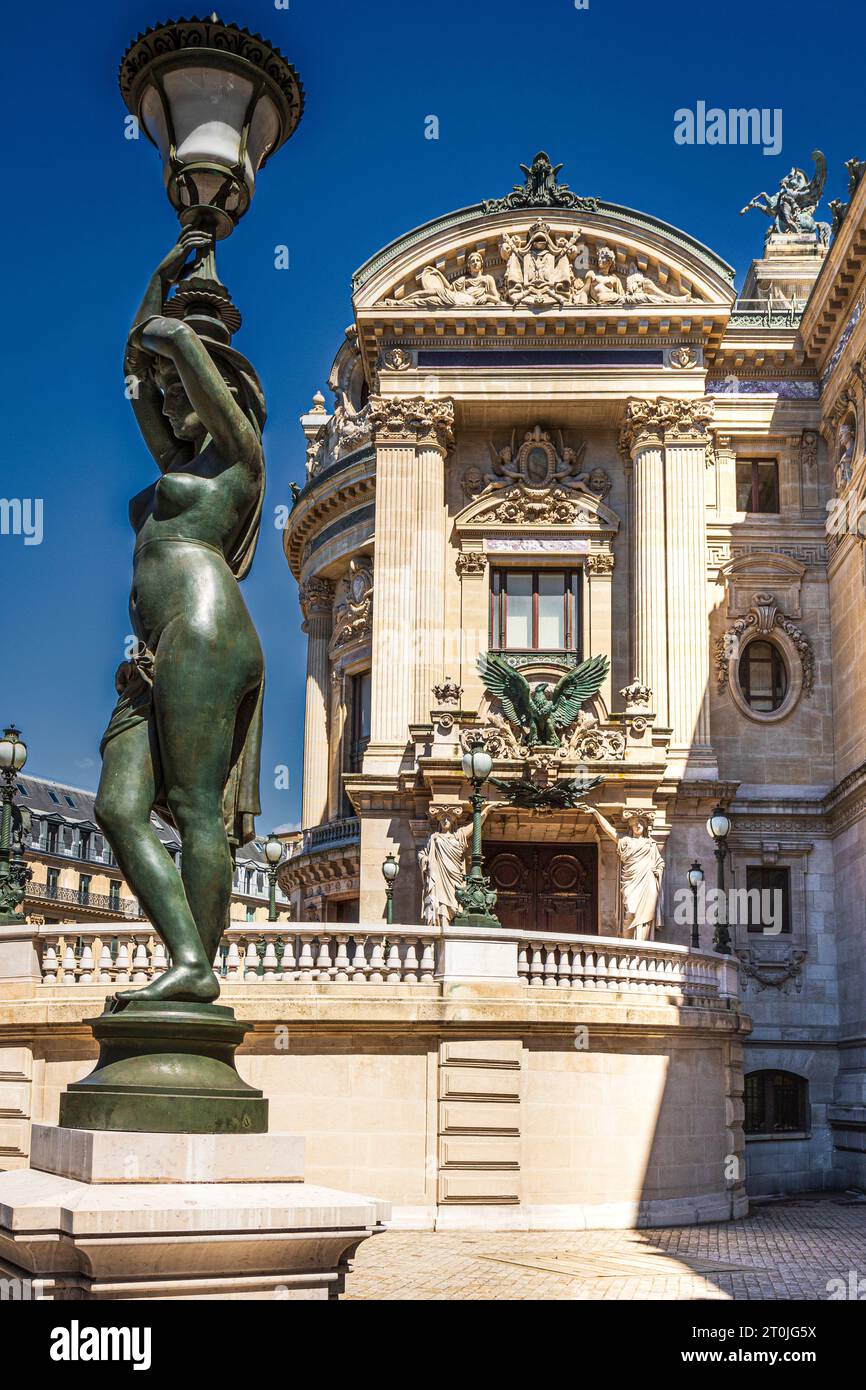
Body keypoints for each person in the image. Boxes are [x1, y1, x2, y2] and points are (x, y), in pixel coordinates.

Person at [94, 226, 267, 1005]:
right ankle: (188, 957)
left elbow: (174, 351)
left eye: (179, 389)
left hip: (205, 627)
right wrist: (161, 272)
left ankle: (196, 969)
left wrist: (172, 322)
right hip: (156, 645)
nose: (166, 398)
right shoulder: (177, 464)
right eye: (165, 391)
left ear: (215, 390)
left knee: (197, 807)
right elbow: (135, 372)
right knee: (116, 807)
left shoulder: (238, 457)